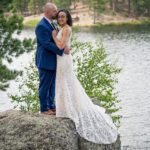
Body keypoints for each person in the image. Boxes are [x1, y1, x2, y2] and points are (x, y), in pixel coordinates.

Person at [52, 9, 119, 144]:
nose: (61, 18)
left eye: (63, 16)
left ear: (67, 18)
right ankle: (63, 107)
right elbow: (63, 46)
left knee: (65, 82)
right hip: (61, 58)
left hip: (64, 59)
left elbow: (60, 45)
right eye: (59, 17)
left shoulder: (66, 29)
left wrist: (54, 35)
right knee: (61, 82)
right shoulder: (62, 28)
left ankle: (67, 109)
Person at [35, 3, 70, 115]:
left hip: (53, 61)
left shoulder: (52, 24)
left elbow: (58, 39)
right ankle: (44, 109)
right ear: (47, 12)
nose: (57, 13)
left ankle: (51, 106)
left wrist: (65, 45)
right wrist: (61, 50)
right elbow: (46, 44)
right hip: (45, 61)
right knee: (44, 85)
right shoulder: (41, 26)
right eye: (54, 11)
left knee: (52, 85)